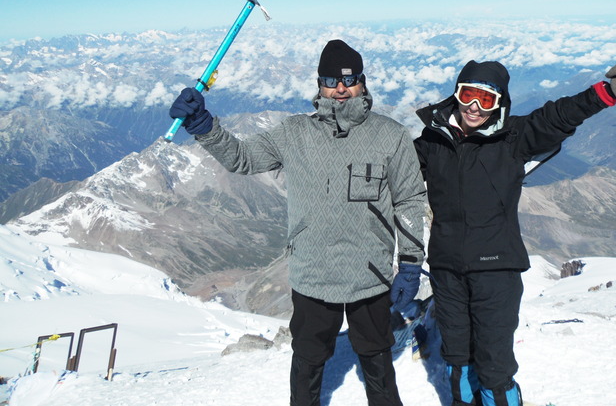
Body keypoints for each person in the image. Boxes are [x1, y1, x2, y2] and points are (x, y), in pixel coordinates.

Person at [169, 39, 427, 406]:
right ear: (319, 85)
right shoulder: (294, 134)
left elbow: (409, 200)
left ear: (363, 82)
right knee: (308, 362)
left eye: (349, 79)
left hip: (370, 275)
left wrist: (412, 262)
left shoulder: (390, 135)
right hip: (312, 274)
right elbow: (242, 159)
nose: (340, 89)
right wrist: (203, 126)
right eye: (330, 80)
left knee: (377, 362)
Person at [413, 53, 616, 406]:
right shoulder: (431, 142)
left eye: (486, 99)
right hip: (447, 269)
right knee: (457, 360)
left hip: (496, 269)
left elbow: (561, 115)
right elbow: (392, 171)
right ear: (457, 93)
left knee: (495, 367)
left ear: (498, 103)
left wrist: (611, 90)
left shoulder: (514, 138)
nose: (474, 107)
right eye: (468, 94)